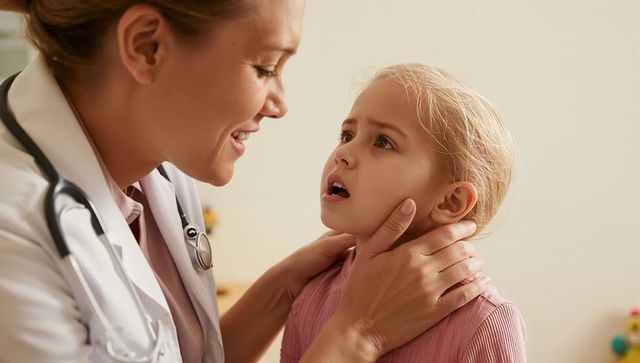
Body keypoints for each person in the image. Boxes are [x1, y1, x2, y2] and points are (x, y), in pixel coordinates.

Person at [0, 1, 488, 362]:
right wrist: (358, 337)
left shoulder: (161, 165)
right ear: (146, 46)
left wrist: (282, 286)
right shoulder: (15, 236)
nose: (279, 104)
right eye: (265, 67)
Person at [281, 63, 527, 362]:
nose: (343, 154)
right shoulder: (311, 294)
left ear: (451, 201)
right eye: (346, 135)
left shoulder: (484, 323)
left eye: (382, 142)